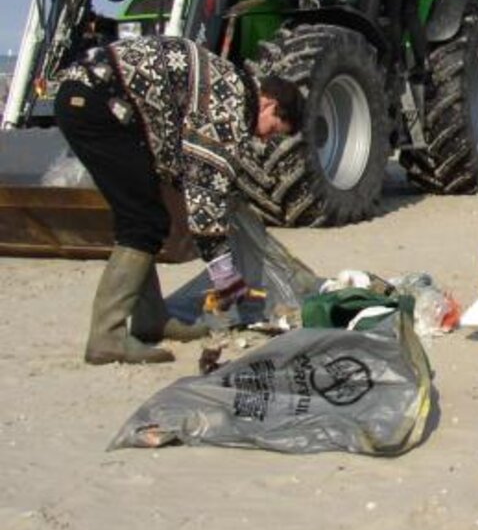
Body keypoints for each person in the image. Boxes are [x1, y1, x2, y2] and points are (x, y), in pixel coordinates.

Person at [54, 36, 303, 365]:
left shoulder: (229, 84)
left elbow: (184, 157)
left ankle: (151, 319)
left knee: (144, 216)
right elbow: (205, 194)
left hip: (95, 97)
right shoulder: (229, 106)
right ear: (269, 103)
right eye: (274, 129)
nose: (265, 137)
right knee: (142, 221)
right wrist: (228, 282)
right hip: (98, 105)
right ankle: (107, 336)